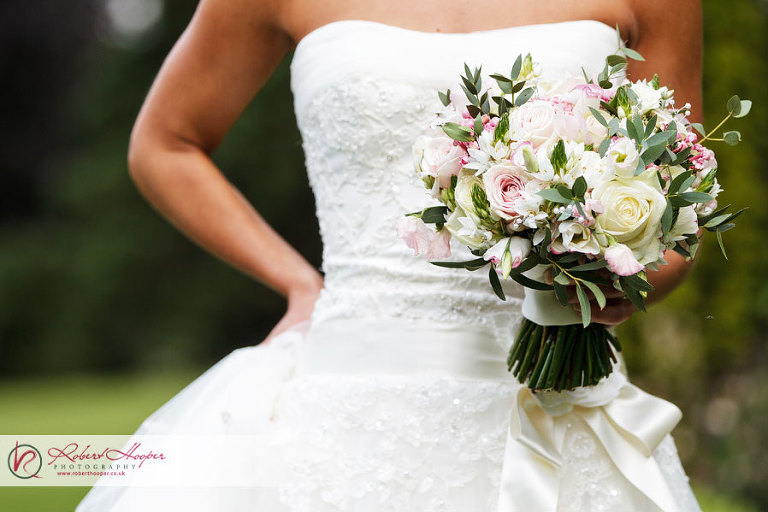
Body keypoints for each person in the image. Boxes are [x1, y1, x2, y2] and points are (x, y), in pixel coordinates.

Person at [77, 0, 705, 510]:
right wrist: (298, 282)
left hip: (561, 396)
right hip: (347, 401)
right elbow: (166, 143)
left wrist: (619, 274)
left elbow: (683, 205)